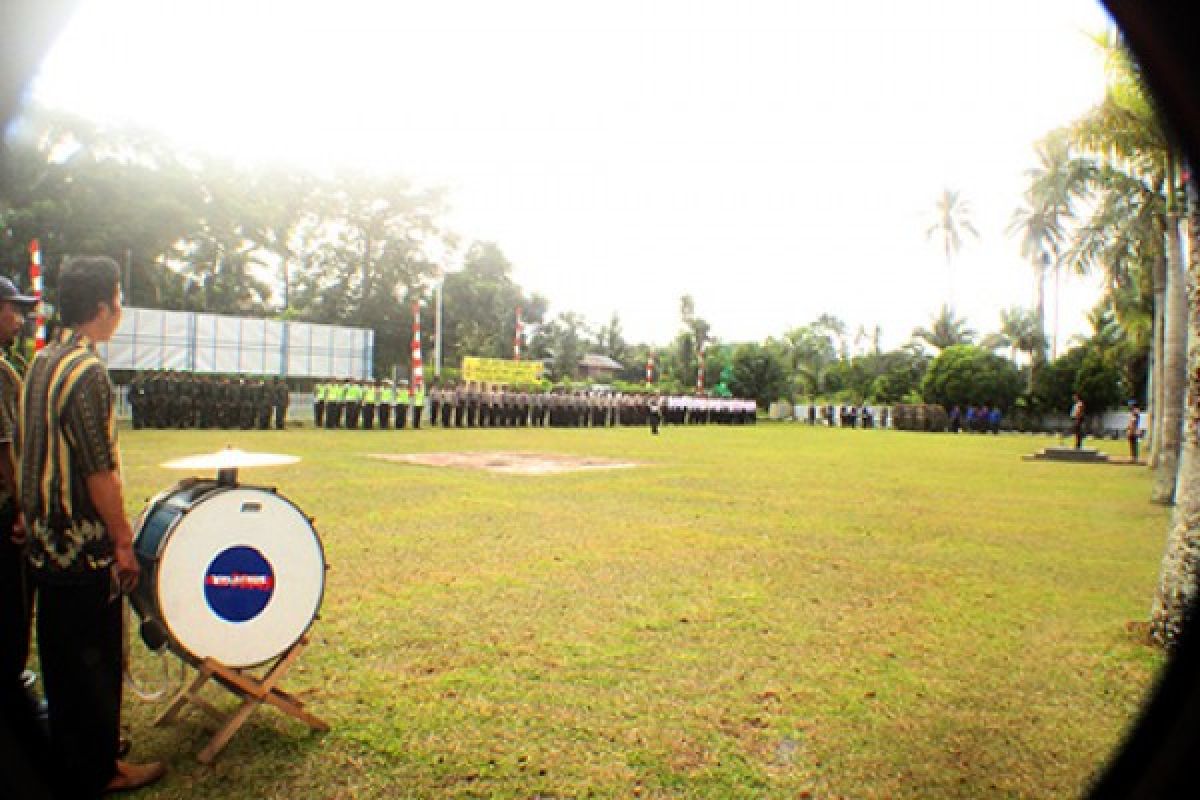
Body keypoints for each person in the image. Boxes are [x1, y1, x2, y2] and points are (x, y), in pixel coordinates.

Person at [18, 256, 165, 797]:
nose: (121, 310)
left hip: (42, 545)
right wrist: (123, 540)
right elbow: (97, 470)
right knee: (94, 658)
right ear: (103, 307)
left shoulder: (42, 361)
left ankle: (75, 746)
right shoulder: (88, 372)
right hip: (81, 548)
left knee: (59, 654)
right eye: (119, 300)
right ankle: (100, 767)